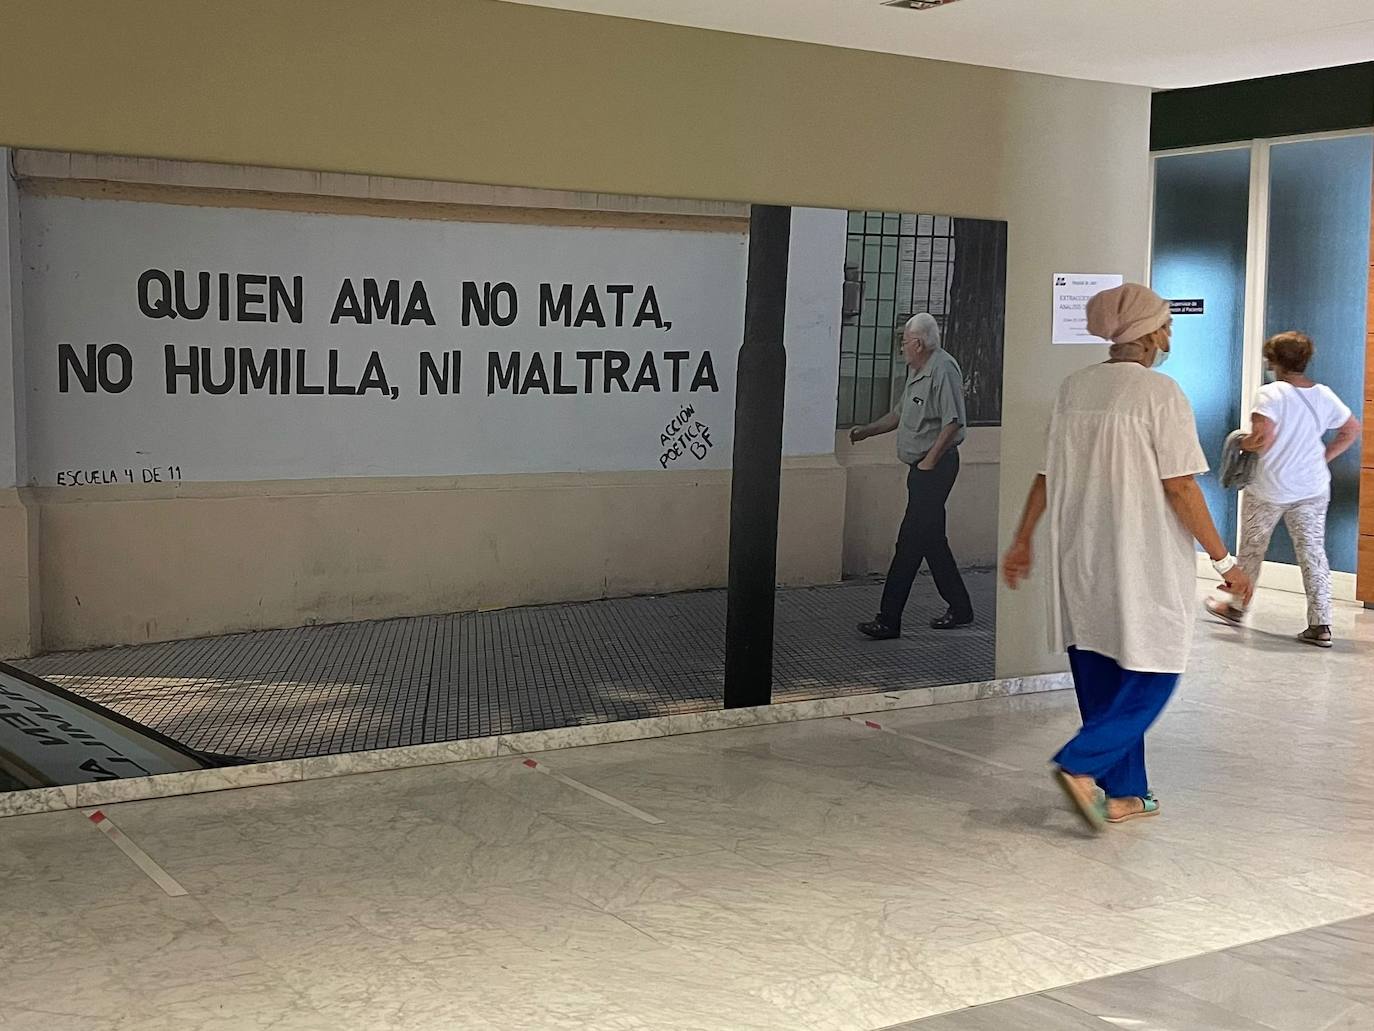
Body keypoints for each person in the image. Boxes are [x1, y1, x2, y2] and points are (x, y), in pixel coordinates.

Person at [1001, 283, 1253, 832]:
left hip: (1080, 554)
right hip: (1141, 557)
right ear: (1150, 332)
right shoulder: (1160, 393)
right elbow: (1181, 487)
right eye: (1166, 324)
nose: (1169, 334)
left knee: (1100, 670)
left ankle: (1126, 791)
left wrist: (1022, 539)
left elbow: (1046, 476)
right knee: (1155, 668)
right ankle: (1079, 764)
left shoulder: (1073, 388)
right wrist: (1225, 562)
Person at [1205, 331, 1361, 648]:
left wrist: (1239, 441)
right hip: (1312, 488)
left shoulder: (1270, 394)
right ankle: (1321, 625)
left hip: (1269, 488)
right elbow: (1351, 429)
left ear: (1273, 361)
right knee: (1313, 553)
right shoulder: (1324, 395)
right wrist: (1324, 456)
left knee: (1252, 549)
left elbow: (1262, 438)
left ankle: (1236, 607)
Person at [850, 313, 974, 638]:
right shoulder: (919, 371)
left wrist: (930, 461)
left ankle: (888, 619)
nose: (902, 348)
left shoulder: (942, 369)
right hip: (922, 470)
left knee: (908, 543)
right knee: (932, 542)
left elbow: (953, 421)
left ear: (917, 342)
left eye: (904, 342)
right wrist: (867, 431)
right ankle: (960, 607)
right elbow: (898, 414)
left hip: (935, 468)